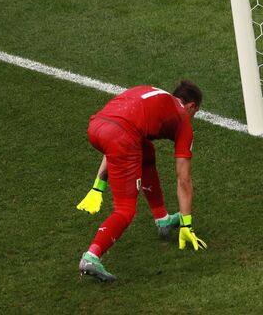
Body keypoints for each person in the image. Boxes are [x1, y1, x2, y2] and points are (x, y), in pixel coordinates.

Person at [76, 80, 207, 282]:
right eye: (194, 113)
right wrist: (186, 225)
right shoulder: (182, 120)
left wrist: (98, 186)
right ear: (190, 106)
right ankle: (91, 256)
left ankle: (162, 218)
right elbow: (184, 179)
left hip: (97, 127)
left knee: (146, 151)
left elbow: (116, 128)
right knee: (125, 209)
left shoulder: (150, 92)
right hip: (120, 137)